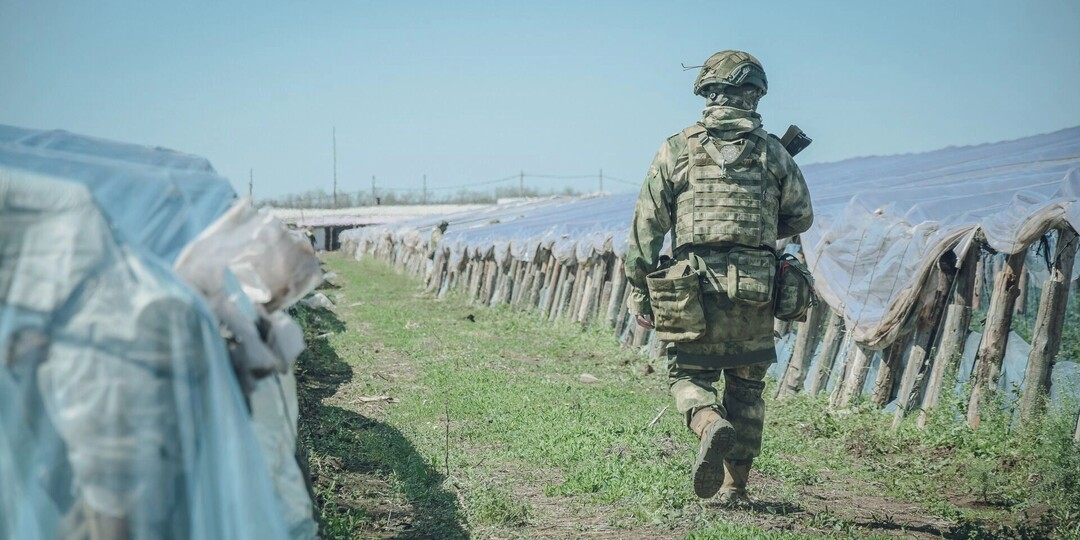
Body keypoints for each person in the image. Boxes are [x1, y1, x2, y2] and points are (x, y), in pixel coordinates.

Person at [624, 50, 813, 505]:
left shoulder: (675, 149)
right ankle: (735, 487)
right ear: (754, 94)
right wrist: (760, 231)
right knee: (747, 388)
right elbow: (801, 216)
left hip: (692, 288)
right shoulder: (773, 153)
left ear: (708, 92)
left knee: (688, 376)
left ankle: (709, 422)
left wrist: (640, 290)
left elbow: (646, 229)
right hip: (755, 289)